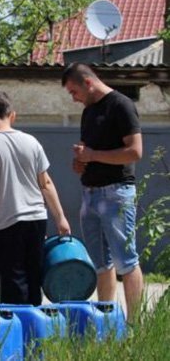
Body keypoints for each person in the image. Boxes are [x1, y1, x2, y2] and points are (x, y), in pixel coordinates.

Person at [62, 63, 143, 322]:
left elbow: (135, 152)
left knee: (126, 262)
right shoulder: (89, 112)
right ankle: (107, 322)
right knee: (101, 264)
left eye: (74, 91)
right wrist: (81, 162)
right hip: (90, 194)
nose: (73, 98)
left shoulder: (121, 105)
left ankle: (134, 324)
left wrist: (93, 155)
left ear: (88, 82)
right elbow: (88, 151)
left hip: (116, 193)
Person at [0, 91, 70, 306]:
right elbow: (45, 183)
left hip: (7, 222)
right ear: (13, 115)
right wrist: (60, 217)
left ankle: (15, 327)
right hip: (37, 219)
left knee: (10, 281)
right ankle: (35, 329)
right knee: (33, 275)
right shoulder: (32, 142)